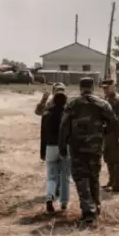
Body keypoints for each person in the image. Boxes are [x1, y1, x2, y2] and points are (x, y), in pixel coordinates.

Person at [59, 77, 118, 224]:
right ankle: (96, 207)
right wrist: (102, 133)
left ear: (80, 87)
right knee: (93, 177)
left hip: (77, 148)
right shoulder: (102, 104)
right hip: (95, 148)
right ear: (92, 87)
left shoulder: (72, 104)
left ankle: (89, 213)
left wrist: (62, 147)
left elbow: (64, 126)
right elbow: (114, 123)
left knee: (81, 179)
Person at [40, 85, 70, 213]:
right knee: (65, 176)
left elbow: (43, 134)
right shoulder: (68, 114)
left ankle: (49, 197)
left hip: (50, 147)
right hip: (65, 147)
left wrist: (42, 151)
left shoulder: (46, 114)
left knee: (51, 176)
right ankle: (63, 203)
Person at [100, 79, 119, 193]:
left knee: (117, 160)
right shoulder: (106, 99)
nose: (105, 90)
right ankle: (111, 182)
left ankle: (118, 185)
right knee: (108, 159)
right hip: (106, 133)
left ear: (113, 87)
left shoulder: (118, 100)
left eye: (107, 87)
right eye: (103, 88)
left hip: (115, 132)